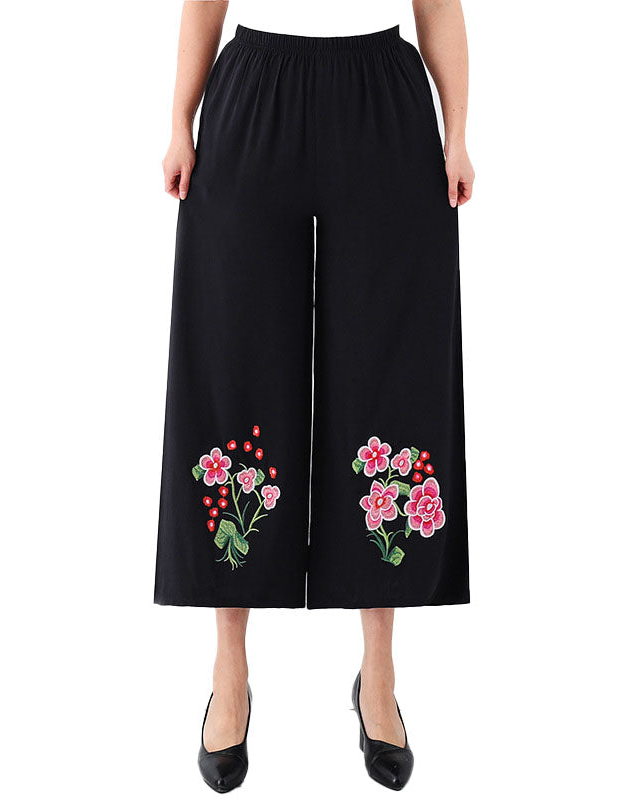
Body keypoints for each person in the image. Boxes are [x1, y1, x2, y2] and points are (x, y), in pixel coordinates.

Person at [156, 0, 474, 791]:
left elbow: (438, 6)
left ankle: (379, 674)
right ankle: (230, 670)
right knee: (234, 367)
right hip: (254, 93)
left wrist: (458, 133)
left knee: (387, 375)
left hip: (383, 98)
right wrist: (179, 122)